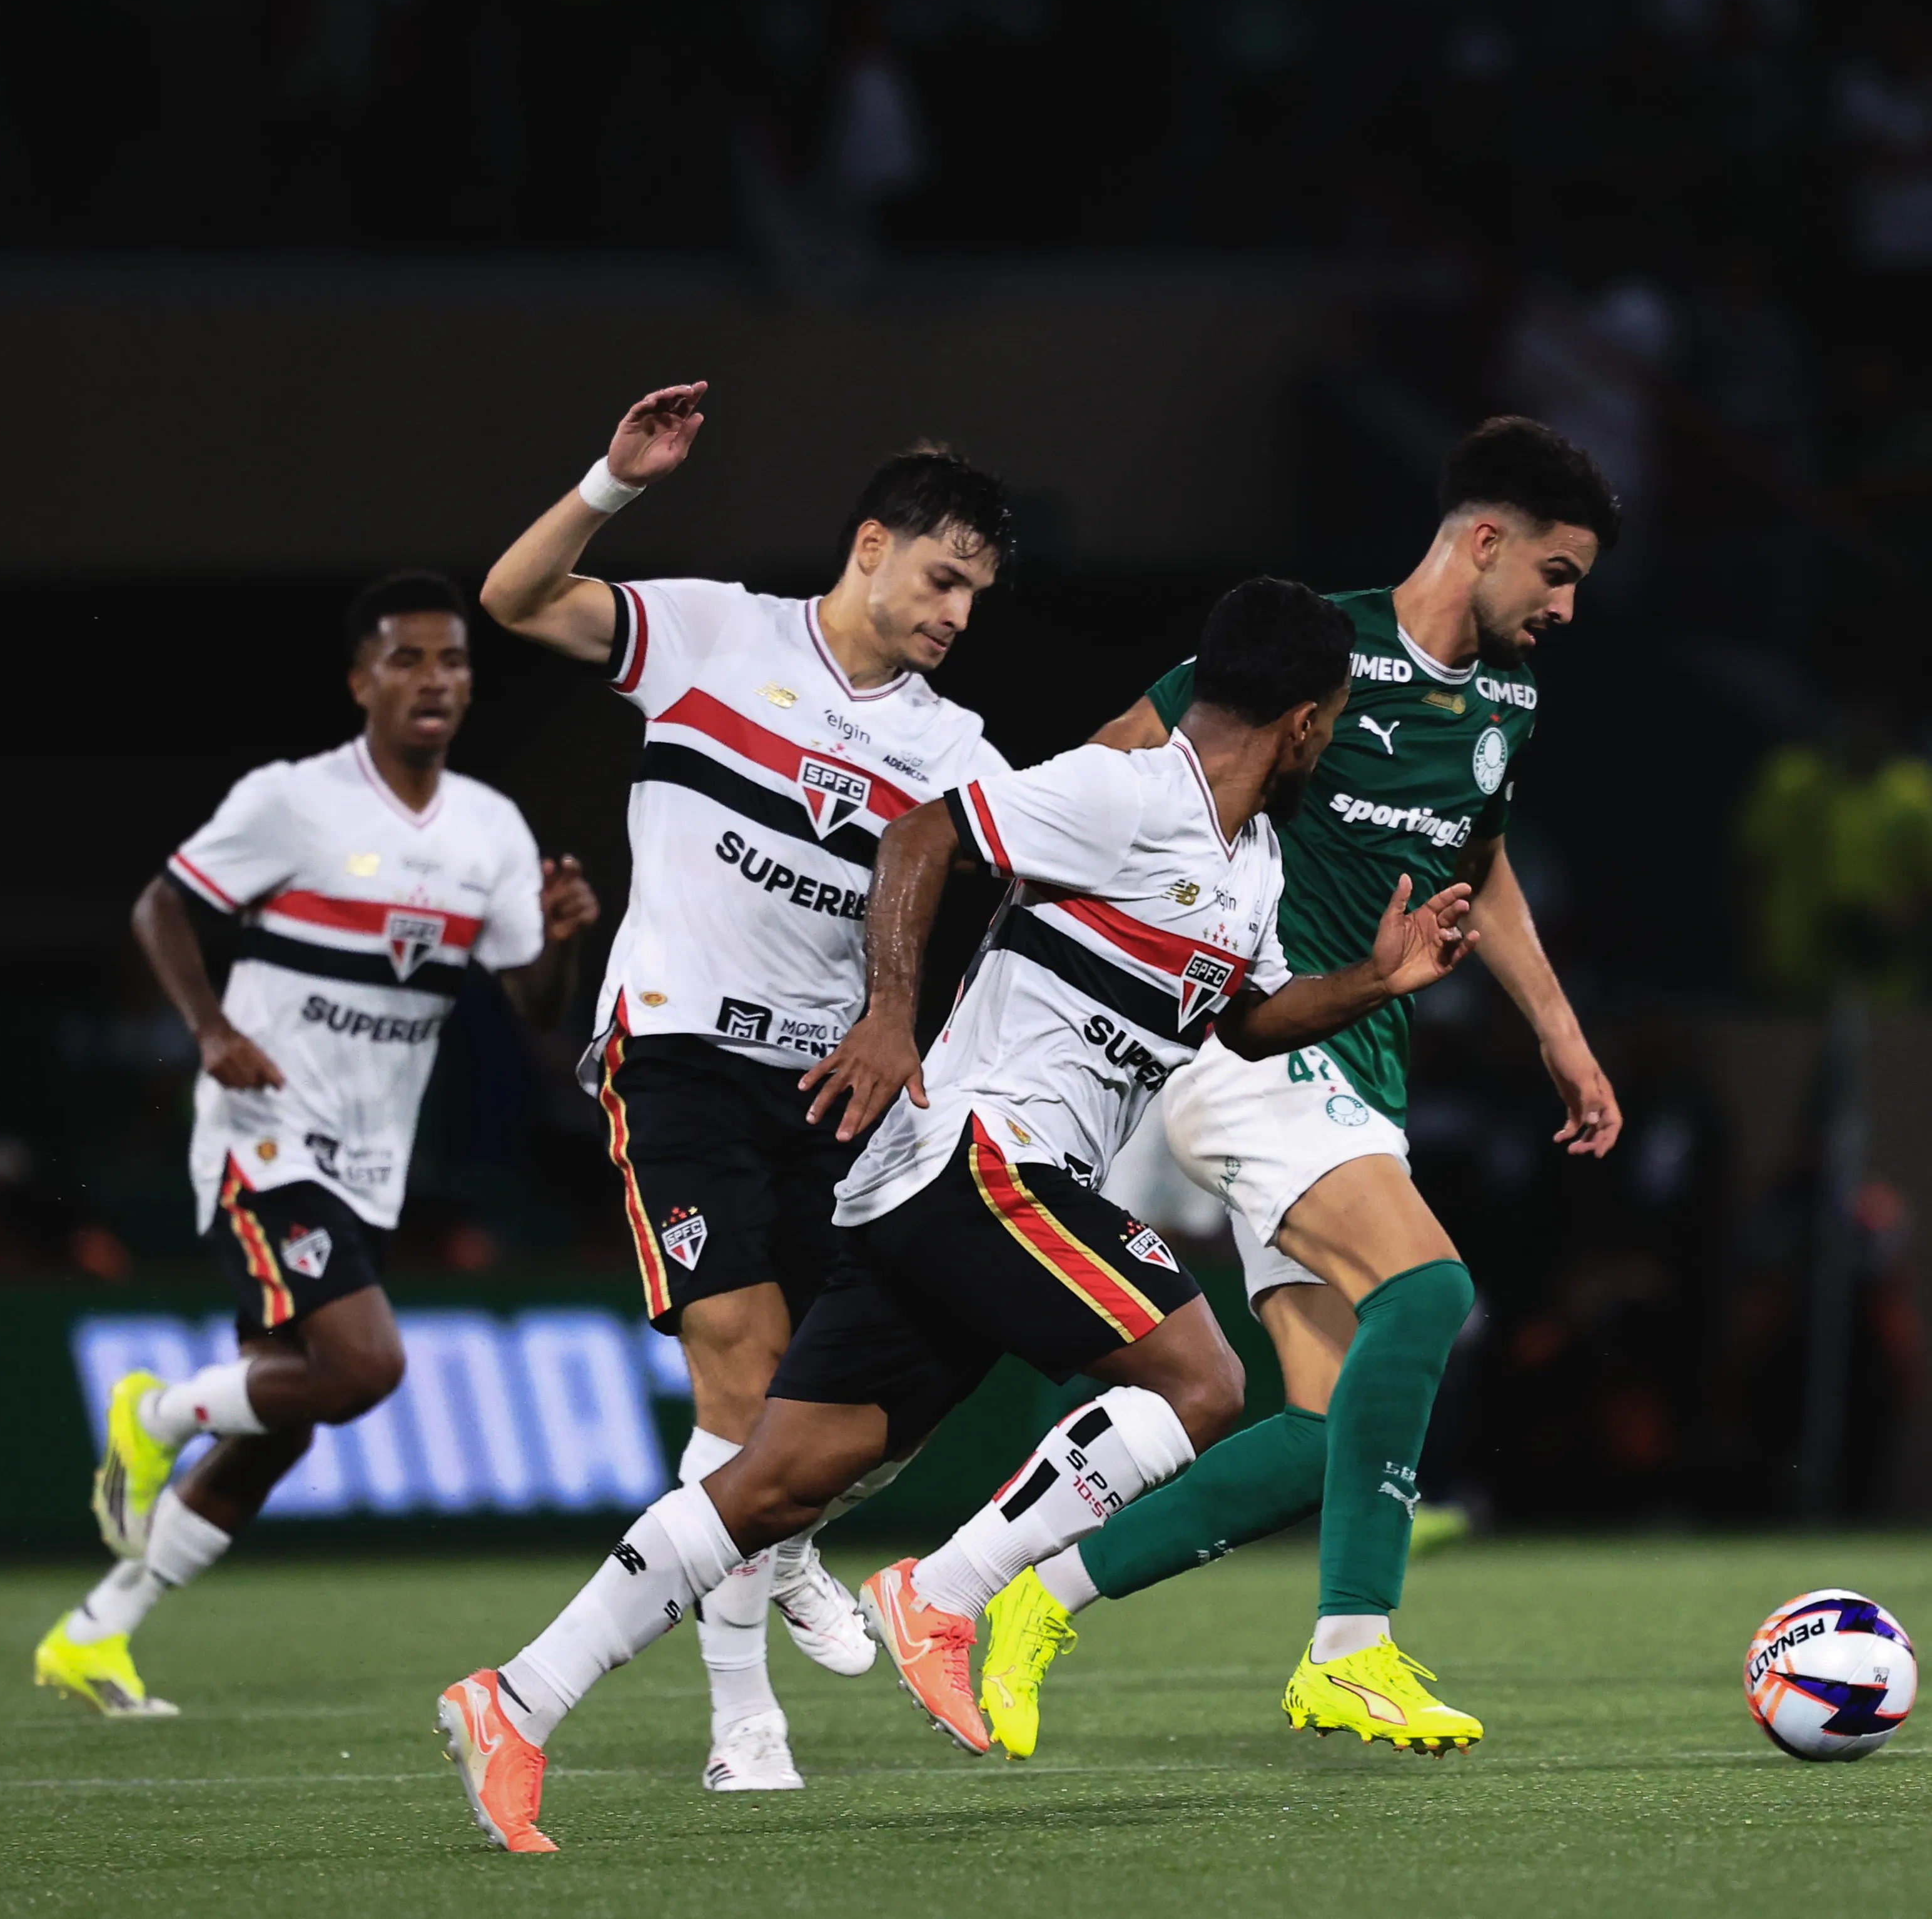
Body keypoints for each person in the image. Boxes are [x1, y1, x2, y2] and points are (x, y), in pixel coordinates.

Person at [435, 578, 1477, 1853]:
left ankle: (515, 1698)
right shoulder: (1124, 794)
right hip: (983, 1158)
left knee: (776, 1482)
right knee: (1201, 1377)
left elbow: (1242, 1021)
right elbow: (928, 831)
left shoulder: (1247, 859)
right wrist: (887, 1013)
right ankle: (943, 1592)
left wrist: (1377, 978)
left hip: (952, 1188)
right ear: (1306, 723)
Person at [960, 417, 1624, 1761]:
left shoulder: (1507, 703)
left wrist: (1558, 1028)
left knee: (1329, 1425)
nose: (1564, 607)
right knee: (1430, 1293)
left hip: (1355, 1059)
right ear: (1480, 541)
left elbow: (1474, 862)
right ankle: (1351, 1652)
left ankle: (1039, 1596)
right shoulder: (1309, 650)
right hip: (1245, 1042)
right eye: (1554, 573)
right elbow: (1119, 760)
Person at [477, 382, 1016, 1791]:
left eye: (977, 595)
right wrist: (613, 478)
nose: (957, 613)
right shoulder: (715, 631)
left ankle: (783, 1556)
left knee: (794, 1427)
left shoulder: (952, 750)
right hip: (677, 1057)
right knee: (747, 1367)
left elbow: (1046, 875)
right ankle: (743, 1725)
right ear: (869, 546)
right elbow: (516, 596)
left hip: (835, 1096)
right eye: (943, 578)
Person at [41, 573, 597, 1716]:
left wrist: (560, 940)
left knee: (287, 1425)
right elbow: (163, 905)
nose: (435, 679)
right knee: (364, 1368)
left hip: (373, 1154)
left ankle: (97, 1634)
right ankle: (150, 1415)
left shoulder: (491, 828)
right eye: (407, 660)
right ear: (361, 681)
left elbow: (533, 1004)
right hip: (269, 1132)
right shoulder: (292, 801)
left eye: (453, 661)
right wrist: (210, 1030)